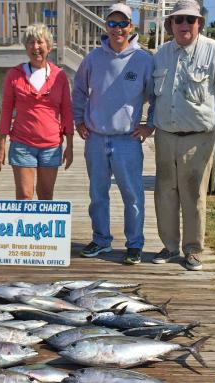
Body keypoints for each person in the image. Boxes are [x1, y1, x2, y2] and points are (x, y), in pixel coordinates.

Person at [149, 0, 215, 271]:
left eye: (190, 20)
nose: (184, 25)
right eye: (178, 20)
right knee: (164, 193)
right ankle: (169, 246)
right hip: (165, 136)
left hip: (199, 138)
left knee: (194, 195)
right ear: (171, 25)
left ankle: (192, 249)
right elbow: (154, 98)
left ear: (199, 23)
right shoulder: (161, 53)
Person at [72, 3, 155, 265]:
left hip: (127, 140)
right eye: (112, 24)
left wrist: (148, 125)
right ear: (105, 26)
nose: (117, 29)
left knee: (132, 194)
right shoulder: (92, 59)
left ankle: (134, 244)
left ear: (131, 27)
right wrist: (78, 121)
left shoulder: (143, 60)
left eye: (123, 24)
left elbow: (155, 97)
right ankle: (101, 240)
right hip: (95, 138)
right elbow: (78, 92)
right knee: (98, 194)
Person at [0, 23, 74, 199]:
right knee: (24, 196)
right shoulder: (14, 75)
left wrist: (70, 145)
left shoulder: (59, 76)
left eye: (40, 42)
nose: (35, 47)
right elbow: (6, 110)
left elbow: (67, 111)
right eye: (30, 42)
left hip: (51, 146)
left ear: (49, 47)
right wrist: (1, 145)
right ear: (25, 47)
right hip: (22, 144)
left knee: (46, 195)